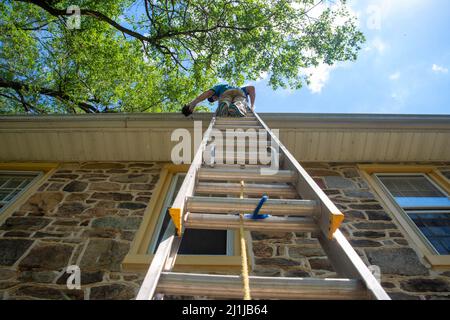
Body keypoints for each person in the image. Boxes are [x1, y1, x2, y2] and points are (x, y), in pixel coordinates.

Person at [184, 84, 255, 117]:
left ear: (214, 95)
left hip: (225, 93)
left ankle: (225, 106)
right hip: (239, 92)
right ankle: (238, 106)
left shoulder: (219, 87)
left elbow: (208, 93)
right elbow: (251, 88)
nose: (215, 99)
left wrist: (194, 103)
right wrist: (252, 106)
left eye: (213, 98)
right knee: (240, 101)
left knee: (225, 99)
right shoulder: (225, 86)